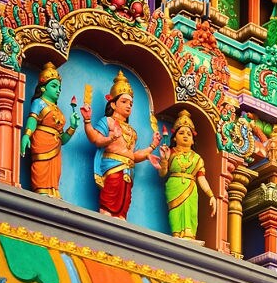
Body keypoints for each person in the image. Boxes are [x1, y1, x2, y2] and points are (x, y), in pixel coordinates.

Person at [81, 70, 161, 219]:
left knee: (123, 204)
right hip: (112, 167)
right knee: (109, 201)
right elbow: (95, 139)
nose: (129, 106)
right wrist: (88, 122)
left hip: (128, 171)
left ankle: (120, 219)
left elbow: (133, 155)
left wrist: (151, 148)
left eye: (131, 103)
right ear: (112, 103)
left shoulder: (132, 131)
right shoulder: (108, 121)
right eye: (124, 102)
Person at [154, 110, 216, 239]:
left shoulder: (197, 158)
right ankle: (176, 234)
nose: (185, 136)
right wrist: (164, 160)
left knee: (191, 212)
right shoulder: (170, 152)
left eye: (189, 134)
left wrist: (211, 195)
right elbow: (162, 173)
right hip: (174, 185)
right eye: (181, 133)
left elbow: (201, 177)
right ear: (174, 137)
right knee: (175, 212)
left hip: (191, 187)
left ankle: (189, 236)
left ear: (193, 140)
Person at [20, 64, 78, 195]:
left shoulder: (58, 110)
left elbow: (62, 139)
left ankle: (53, 191)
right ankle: (41, 190)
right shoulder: (39, 102)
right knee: (41, 166)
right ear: (43, 88)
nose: (58, 90)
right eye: (54, 86)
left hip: (55, 145)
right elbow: (32, 119)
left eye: (59, 88)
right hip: (41, 141)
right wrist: (26, 135)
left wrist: (72, 127)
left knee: (55, 170)